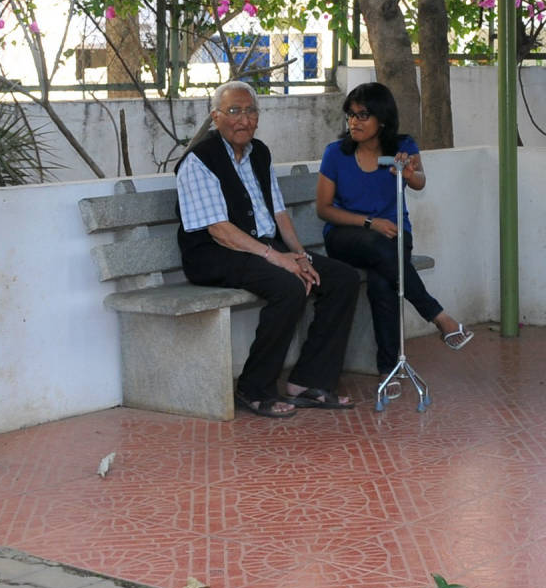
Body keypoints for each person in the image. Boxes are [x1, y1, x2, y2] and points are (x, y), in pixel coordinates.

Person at [175, 80, 361, 418]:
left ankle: (308, 380)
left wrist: (300, 256)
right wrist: (279, 260)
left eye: (250, 111)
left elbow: (277, 211)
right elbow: (219, 230)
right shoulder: (198, 162)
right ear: (216, 117)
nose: (243, 119)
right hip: (213, 254)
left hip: (259, 248)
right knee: (288, 287)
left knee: (340, 278)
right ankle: (253, 387)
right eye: (233, 111)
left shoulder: (258, 153)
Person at [315, 81, 473, 376]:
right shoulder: (336, 153)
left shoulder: (403, 147)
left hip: (394, 238)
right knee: (378, 246)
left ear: (382, 118)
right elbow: (324, 209)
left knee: (382, 283)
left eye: (363, 115)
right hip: (346, 238)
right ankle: (438, 315)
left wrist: (409, 173)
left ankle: (389, 369)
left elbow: (420, 182)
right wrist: (368, 223)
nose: (354, 122)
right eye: (350, 115)